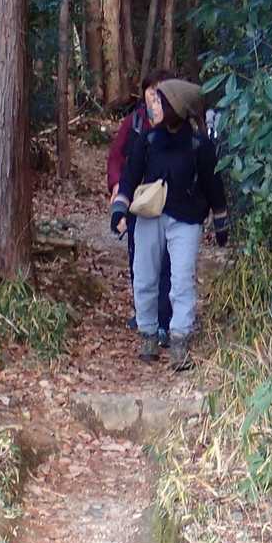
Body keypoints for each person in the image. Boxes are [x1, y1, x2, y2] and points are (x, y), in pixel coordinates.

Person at [109, 78, 230, 370]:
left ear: (177, 107)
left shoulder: (199, 145)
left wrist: (221, 220)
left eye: (161, 102)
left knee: (182, 281)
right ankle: (148, 335)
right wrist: (119, 208)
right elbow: (130, 176)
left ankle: (179, 342)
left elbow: (213, 184)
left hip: (186, 219)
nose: (155, 106)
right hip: (148, 216)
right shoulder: (147, 139)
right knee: (144, 277)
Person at [106, 71, 173, 345]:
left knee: (166, 262)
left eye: (159, 90)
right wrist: (116, 187)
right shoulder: (133, 122)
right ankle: (144, 313)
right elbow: (116, 157)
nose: (154, 95)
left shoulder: (176, 123)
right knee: (138, 258)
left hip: (168, 201)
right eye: (150, 90)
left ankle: (164, 320)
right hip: (137, 200)